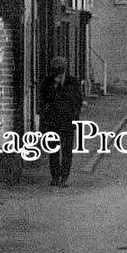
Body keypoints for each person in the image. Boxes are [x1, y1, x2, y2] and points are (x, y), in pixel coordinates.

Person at [40, 58, 83, 187]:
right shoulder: (47, 82)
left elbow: (78, 101)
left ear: (64, 69)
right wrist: (54, 87)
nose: (58, 72)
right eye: (56, 69)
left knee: (66, 151)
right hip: (52, 121)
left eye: (60, 69)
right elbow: (43, 101)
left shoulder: (73, 82)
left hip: (68, 122)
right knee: (53, 151)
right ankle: (55, 177)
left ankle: (64, 177)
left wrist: (75, 116)